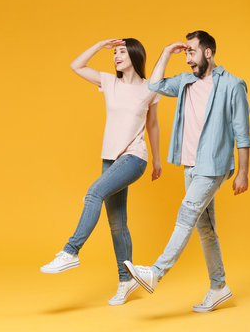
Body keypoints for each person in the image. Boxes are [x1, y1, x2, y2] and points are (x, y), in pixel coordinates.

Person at [123, 30, 250, 312]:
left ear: (208, 52)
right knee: (205, 228)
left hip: (214, 165)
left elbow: (242, 133)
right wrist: (168, 51)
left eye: (191, 52)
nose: (188, 59)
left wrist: (243, 172)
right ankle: (219, 286)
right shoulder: (185, 81)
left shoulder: (233, 85)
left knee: (187, 213)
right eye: (186, 53)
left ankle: (155, 272)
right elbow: (154, 84)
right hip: (189, 164)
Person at [40, 38, 162, 306]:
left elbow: (152, 125)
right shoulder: (109, 82)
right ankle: (126, 280)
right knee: (117, 223)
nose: (116, 56)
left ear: (133, 54)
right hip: (110, 158)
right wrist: (100, 45)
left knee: (94, 192)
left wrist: (156, 160)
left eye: (121, 52)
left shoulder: (149, 88)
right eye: (114, 53)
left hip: (134, 157)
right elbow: (76, 65)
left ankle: (71, 251)